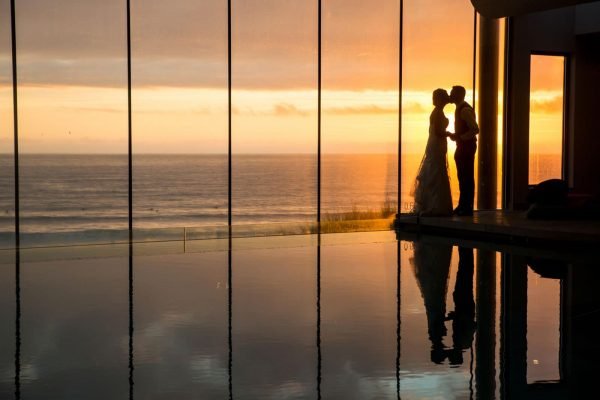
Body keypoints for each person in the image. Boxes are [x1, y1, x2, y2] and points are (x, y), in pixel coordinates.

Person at [412, 89, 453, 216]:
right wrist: (449, 134)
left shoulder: (437, 112)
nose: (433, 99)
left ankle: (433, 205)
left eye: (434, 97)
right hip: (436, 145)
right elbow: (439, 132)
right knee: (436, 174)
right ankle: (435, 207)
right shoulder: (438, 113)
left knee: (434, 173)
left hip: (434, 144)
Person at [449, 85, 479, 216]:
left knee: (466, 176)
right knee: (463, 176)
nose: (450, 95)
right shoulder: (460, 109)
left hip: (466, 147)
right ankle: (463, 205)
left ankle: (466, 207)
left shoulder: (465, 110)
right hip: (463, 146)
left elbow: (475, 129)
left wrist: (460, 137)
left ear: (458, 95)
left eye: (452, 93)